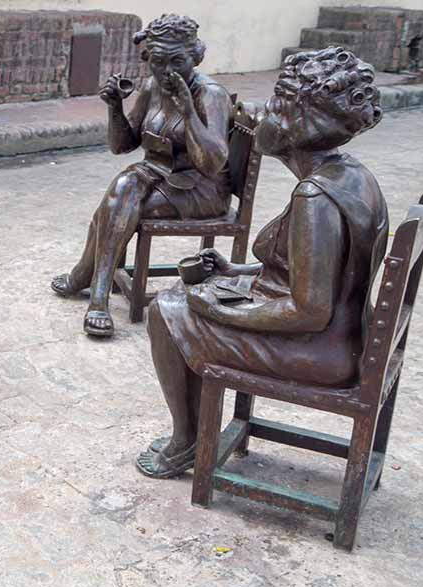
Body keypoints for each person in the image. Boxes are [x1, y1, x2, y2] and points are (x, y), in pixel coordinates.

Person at [137, 47, 388, 478]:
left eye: (273, 105)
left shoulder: (315, 199)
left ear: (296, 124)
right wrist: (237, 274)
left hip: (321, 350)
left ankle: (186, 441)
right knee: (186, 298)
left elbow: (308, 309)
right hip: (342, 335)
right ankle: (193, 431)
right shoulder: (350, 174)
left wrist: (218, 309)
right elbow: (317, 277)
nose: (259, 114)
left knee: (168, 310)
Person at [51, 14, 231, 338]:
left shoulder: (211, 95)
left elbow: (213, 162)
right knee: (122, 192)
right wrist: (115, 107)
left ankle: (93, 287)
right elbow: (123, 145)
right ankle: (90, 282)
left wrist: (188, 110)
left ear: (196, 56)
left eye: (177, 61)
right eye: (158, 62)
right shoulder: (152, 86)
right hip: (156, 177)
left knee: (120, 200)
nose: (167, 71)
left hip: (199, 188)